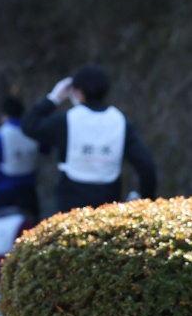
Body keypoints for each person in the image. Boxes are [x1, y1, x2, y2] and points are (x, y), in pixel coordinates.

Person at [21, 64, 157, 212]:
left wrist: (53, 99)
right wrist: (145, 200)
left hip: (69, 208)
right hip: (107, 209)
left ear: (78, 92)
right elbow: (146, 167)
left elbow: (29, 125)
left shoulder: (66, 120)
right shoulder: (120, 122)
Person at [0, 96, 42, 217]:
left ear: (4, 115)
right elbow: (46, 149)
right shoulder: (32, 132)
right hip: (29, 188)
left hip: (4, 189)